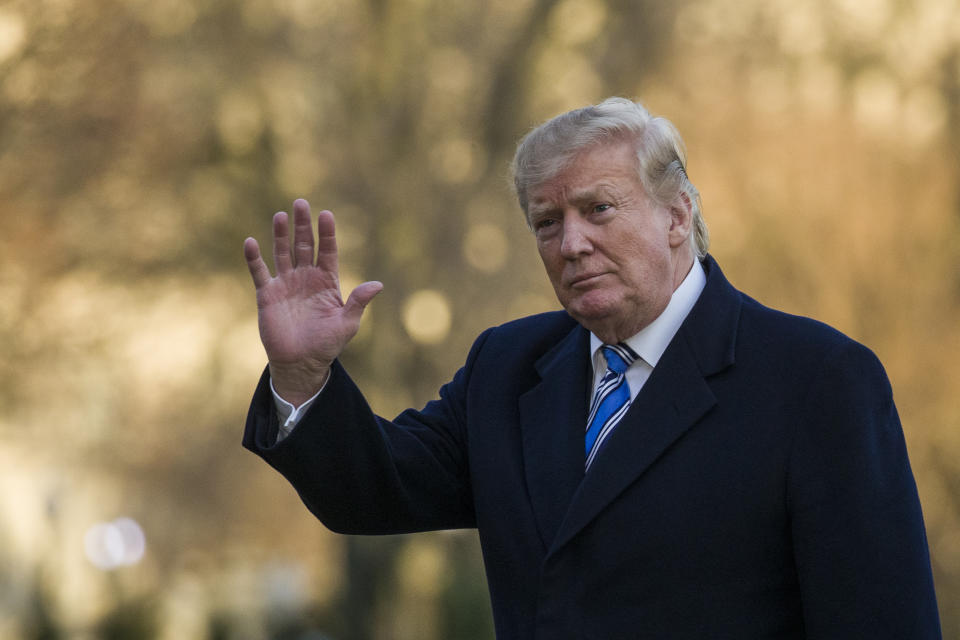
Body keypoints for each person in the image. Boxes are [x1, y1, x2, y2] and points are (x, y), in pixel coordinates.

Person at [242, 98, 941, 638]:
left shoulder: (816, 380)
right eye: (547, 223)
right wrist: (303, 377)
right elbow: (376, 491)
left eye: (598, 209)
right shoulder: (508, 368)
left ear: (677, 215)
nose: (571, 243)